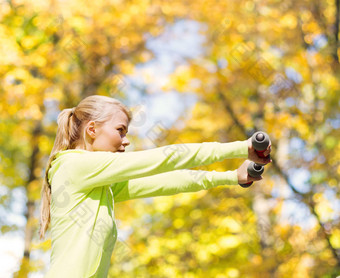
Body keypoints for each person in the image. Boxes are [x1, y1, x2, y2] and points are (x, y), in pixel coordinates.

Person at [39, 95, 271, 277]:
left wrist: (230, 177)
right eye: (120, 130)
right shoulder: (73, 165)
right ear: (92, 130)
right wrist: (242, 148)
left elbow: (167, 181)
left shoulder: (101, 184)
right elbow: (167, 158)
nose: (126, 141)